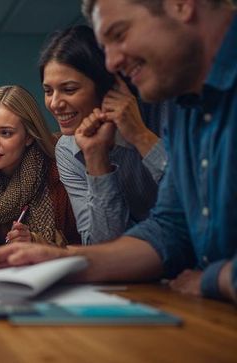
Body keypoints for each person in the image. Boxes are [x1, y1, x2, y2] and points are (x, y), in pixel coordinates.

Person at [0, 0, 237, 303]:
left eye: (119, 33)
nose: (112, 63)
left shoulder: (167, 104)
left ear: (180, 4)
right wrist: (64, 261)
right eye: (48, 90)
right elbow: (171, 229)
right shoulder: (185, 102)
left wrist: (215, 278)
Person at [39, 25, 167, 245]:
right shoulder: (67, 149)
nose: (54, 104)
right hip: (137, 266)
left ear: (109, 88)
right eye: (48, 91)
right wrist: (96, 160)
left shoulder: (163, 112)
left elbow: (198, 200)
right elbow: (101, 243)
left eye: (69, 89)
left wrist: (139, 135)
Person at [0, 85, 79, 254]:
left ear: (29, 136)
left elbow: (84, 243)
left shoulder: (59, 168)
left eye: (5, 133)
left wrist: (35, 240)